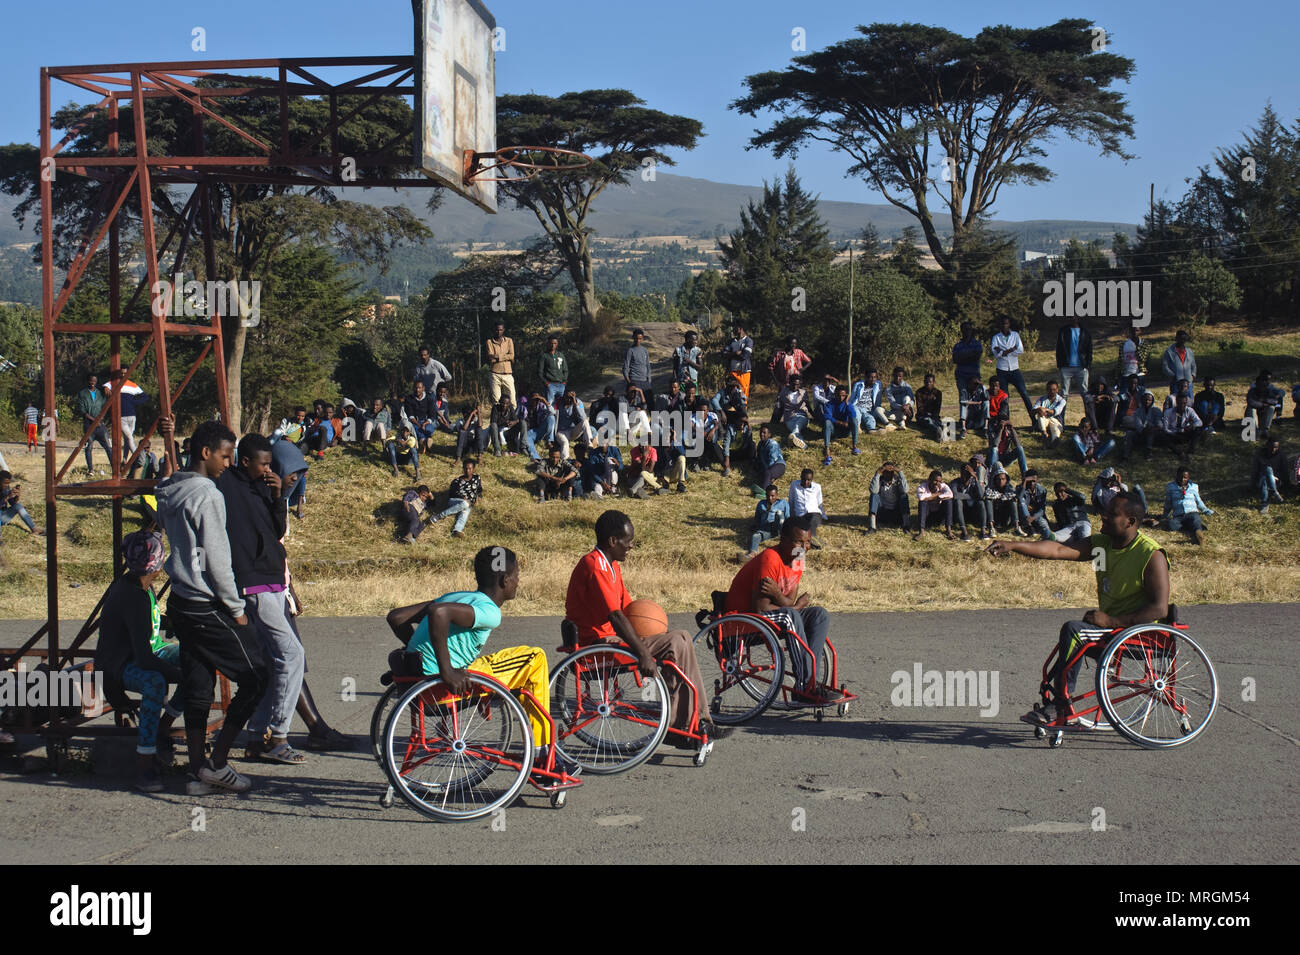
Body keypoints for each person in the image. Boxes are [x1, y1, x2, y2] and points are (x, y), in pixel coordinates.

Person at [154, 419, 269, 794]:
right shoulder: (208, 494)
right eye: (225, 455)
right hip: (207, 603)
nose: (228, 462)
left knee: (198, 683)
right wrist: (235, 608)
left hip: (181, 602)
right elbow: (217, 561)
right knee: (257, 677)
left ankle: (196, 771)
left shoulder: (172, 487)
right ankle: (218, 763)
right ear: (206, 453)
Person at [989, 492, 1170, 727]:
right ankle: (1057, 696)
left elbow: (1159, 609)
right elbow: (1057, 550)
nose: (1103, 517)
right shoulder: (1102, 546)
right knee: (1076, 634)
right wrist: (1013, 545)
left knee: (1074, 631)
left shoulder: (1151, 554)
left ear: (1131, 522)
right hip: (1112, 632)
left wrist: (1110, 620)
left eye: (1112, 514)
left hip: (1138, 635)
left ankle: (1060, 705)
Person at [565, 511, 725, 743]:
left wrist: (651, 629)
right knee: (675, 641)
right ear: (612, 541)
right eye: (628, 541)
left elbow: (629, 609)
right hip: (596, 647)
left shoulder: (611, 566)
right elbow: (617, 617)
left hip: (610, 641)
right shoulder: (595, 566)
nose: (631, 546)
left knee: (680, 637)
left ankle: (695, 721)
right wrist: (643, 653)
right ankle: (681, 725)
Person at [400, 546, 563, 769]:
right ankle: (542, 751)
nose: (518, 581)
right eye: (517, 576)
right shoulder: (490, 612)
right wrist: (446, 670)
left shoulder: (456, 596)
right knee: (535, 659)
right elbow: (439, 613)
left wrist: (418, 653)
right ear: (505, 580)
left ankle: (537, 742)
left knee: (517, 661)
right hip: (441, 687)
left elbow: (396, 617)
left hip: (419, 683)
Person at [218, 433, 308, 766]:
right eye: (265, 463)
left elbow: (276, 530)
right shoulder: (227, 483)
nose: (270, 469)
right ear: (244, 461)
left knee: (273, 662)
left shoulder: (262, 488)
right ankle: (279, 736)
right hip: (253, 583)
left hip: (270, 581)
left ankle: (257, 739)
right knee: (291, 654)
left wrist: (278, 493)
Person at [93, 529, 184, 792]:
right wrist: (179, 676)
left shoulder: (142, 584)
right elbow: (144, 658)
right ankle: (145, 762)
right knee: (155, 682)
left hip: (150, 651)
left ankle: (162, 727)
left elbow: (150, 625)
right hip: (120, 665)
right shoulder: (131, 595)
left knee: (198, 661)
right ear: (156, 564)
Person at [727, 515, 834, 694]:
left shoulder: (798, 557)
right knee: (790, 615)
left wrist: (779, 596)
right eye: (798, 542)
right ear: (783, 540)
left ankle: (812, 678)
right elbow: (760, 608)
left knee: (819, 615)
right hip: (744, 621)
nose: (804, 548)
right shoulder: (769, 559)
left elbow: (789, 601)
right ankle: (805, 686)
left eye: (807, 542)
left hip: (774, 614)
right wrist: (794, 607)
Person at [991, 316, 1034, 418]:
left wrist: (1003, 351)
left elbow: (1020, 350)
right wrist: (1011, 349)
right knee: (1005, 397)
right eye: (1002, 324)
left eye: (1006, 323)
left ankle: (1034, 420)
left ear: (1009, 324)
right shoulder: (996, 337)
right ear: (1000, 325)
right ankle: (1006, 421)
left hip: (1014, 369)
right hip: (1002, 370)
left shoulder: (1015, 335)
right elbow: (996, 354)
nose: (1004, 326)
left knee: (1024, 393)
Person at [430, 458, 483, 538]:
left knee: (466, 509)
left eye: (470, 468)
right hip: (455, 501)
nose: (467, 470)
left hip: (468, 504)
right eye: (465, 468)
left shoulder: (477, 478)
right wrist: (462, 497)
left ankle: (457, 530)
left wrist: (479, 496)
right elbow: (451, 494)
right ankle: (439, 515)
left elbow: (479, 489)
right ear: (463, 468)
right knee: (465, 504)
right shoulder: (457, 481)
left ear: (473, 469)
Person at [988, 377, 1028, 476]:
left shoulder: (1008, 428)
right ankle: (992, 475)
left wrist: (1011, 428)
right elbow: (995, 445)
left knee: (1020, 449)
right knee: (993, 449)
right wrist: (1001, 429)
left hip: (1005, 458)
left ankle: (1025, 474)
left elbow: (1018, 444)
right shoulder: (992, 427)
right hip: (995, 458)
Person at [1162, 465, 1213, 545]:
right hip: (1178, 516)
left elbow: (1198, 501)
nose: (1182, 480)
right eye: (1180, 477)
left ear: (1188, 477)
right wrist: (1165, 515)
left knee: (1196, 519)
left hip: (1191, 512)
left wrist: (1205, 510)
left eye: (1185, 478)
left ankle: (1199, 535)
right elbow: (1168, 502)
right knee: (1171, 525)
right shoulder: (1170, 487)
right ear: (1176, 476)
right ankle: (1192, 527)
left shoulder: (1194, 487)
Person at [75, 373, 113, 474]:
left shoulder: (100, 393)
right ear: (88, 381)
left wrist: (100, 420)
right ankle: (90, 470)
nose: (93, 383)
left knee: (108, 446)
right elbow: (82, 411)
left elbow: (105, 406)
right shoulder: (82, 394)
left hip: (100, 424)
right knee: (89, 447)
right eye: (91, 381)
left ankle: (115, 468)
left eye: (94, 381)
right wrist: (94, 421)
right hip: (89, 425)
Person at [951, 322, 983, 438]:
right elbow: (955, 359)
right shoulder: (958, 345)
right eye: (964, 329)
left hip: (974, 375)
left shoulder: (977, 344)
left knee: (979, 397)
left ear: (971, 330)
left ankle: (982, 423)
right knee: (963, 397)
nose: (966, 331)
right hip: (961, 375)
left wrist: (963, 357)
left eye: (968, 329)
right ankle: (963, 426)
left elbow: (977, 356)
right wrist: (969, 356)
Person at [1054, 315, 1093, 403]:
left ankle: (1090, 416)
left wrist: (1088, 365)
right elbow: (1059, 348)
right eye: (1070, 317)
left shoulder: (1085, 332)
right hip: (1066, 366)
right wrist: (1060, 365)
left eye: (1074, 316)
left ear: (1078, 317)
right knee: (1064, 394)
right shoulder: (1063, 331)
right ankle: (1060, 417)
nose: (1072, 318)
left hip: (1081, 367)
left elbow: (1089, 349)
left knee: (1085, 394)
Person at [746, 483, 789, 557]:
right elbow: (757, 518)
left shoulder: (783, 503)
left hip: (779, 528)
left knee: (779, 514)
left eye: (772, 496)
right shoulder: (761, 504)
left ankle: (782, 536)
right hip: (766, 530)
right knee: (756, 536)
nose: (770, 498)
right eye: (768, 496)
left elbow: (788, 517)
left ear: (777, 495)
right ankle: (752, 553)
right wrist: (756, 526)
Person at [821, 384, 861, 465]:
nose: (841, 398)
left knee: (854, 420)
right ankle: (827, 448)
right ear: (835, 394)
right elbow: (827, 416)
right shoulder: (830, 404)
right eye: (838, 395)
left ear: (846, 395)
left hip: (846, 431)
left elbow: (853, 415)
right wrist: (839, 422)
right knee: (827, 422)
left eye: (843, 396)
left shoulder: (848, 404)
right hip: (834, 430)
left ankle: (854, 445)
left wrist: (847, 403)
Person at [951, 461, 991, 541]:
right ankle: (964, 532)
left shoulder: (974, 483)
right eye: (963, 473)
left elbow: (980, 496)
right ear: (960, 473)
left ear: (972, 474)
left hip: (973, 513)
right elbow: (955, 495)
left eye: (968, 474)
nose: (965, 476)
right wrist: (972, 497)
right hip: (960, 513)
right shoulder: (955, 482)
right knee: (958, 501)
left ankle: (983, 531)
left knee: (981, 503)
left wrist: (976, 479)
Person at [773, 373, 813, 448]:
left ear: (800, 384)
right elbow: (780, 407)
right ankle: (802, 444)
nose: (795, 386)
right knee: (796, 429)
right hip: (789, 418)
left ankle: (794, 436)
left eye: (797, 384)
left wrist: (814, 416)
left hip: (802, 417)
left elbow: (808, 406)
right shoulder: (784, 393)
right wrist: (774, 420)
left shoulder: (803, 392)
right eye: (793, 384)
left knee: (798, 424)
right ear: (789, 383)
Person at [788, 467, 827, 546]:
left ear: (812, 479)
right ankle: (810, 542)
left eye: (809, 480)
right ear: (801, 478)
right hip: (800, 515)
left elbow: (820, 503)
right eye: (804, 479)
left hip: (814, 513)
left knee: (812, 519)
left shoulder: (817, 487)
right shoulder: (794, 485)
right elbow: (791, 502)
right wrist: (791, 517)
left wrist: (824, 516)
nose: (806, 482)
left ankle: (813, 539)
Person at [867, 462, 910, 533]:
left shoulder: (898, 481)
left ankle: (906, 526)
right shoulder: (879, 480)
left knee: (904, 496)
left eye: (890, 472)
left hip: (896, 513)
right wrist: (877, 474)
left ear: (893, 473)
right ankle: (872, 527)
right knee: (874, 495)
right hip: (882, 512)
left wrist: (900, 472)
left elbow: (905, 490)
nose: (888, 474)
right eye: (886, 472)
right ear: (883, 473)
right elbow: (873, 491)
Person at [1121, 390, 1162, 461]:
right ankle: (1126, 454)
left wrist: (1152, 428)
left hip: (1155, 435)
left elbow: (1159, 425)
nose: (1147, 402)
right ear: (1141, 400)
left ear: (1152, 400)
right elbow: (1139, 427)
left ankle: (1149, 451)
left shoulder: (1156, 410)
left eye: (1149, 400)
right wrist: (1146, 429)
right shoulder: (1137, 412)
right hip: (1142, 434)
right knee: (1129, 433)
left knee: (1151, 428)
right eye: (1145, 399)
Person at [1161, 393, 1203, 461]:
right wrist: (1177, 432)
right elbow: (1166, 429)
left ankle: (1191, 450)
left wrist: (1191, 426)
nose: (1182, 405)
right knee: (1163, 436)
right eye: (1180, 403)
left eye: (1184, 403)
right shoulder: (1168, 412)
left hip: (1186, 432)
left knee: (1198, 430)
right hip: (1174, 434)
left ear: (1186, 403)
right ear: (1176, 402)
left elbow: (1199, 422)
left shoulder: (1189, 410)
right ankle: (1179, 452)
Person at [915, 469, 954, 540]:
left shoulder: (943, 486)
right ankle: (921, 531)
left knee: (948, 501)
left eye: (939, 481)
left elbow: (950, 494)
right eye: (935, 480)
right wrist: (938, 494)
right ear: (929, 480)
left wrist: (932, 497)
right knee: (923, 502)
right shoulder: (923, 486)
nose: (937, 483)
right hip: (928, 516)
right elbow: (921, 498)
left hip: (939, 516)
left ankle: (948, 530)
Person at [1245, 370, 1284, 441]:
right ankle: (1255, 432)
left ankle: (1265, 430)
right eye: (1262, 381)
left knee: (1271, 408)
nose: (1263, 384)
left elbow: (1276, 400)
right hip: (1255, 411)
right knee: (1251, 409)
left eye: (1266, 381)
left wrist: (1266, 400)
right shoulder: (1253, 390)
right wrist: (1262, 404)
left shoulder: (1269, 389)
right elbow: (1251, 402)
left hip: (1264, 411)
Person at [0, 471, 42, 537]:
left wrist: (16, 496)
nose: (7, 485)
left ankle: (34, 528)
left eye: (8, 483)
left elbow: (13, 503)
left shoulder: (6, 488)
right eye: (5, 483)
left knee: (18, 506)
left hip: (3, 516)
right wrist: (7, 497)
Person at [1252, 437, 1287, 514]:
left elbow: (1284, 470)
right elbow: (1255, 470)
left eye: (1276, 447)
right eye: (1272, 447)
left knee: (1267, 473)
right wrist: (1253, 484)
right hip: (1261, 479)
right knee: (1267, 470)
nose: (1273, 449)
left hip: (1276, 480)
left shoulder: (1281, 455)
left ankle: (1264, 502)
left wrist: (1285, 483)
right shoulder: (1259, 454)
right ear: (1267, 445)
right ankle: (1274, 493)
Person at [554, 389, 592, 459]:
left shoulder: (578, 402)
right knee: (565, 443)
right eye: (566, 397)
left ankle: (589, 446)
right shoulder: (558, 403)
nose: (568, 400)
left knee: (585, 422)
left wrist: (575, 404)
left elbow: (583, 417)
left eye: (570, 398)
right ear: (563, 396)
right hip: (561, 432)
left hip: (573, 431)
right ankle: (566, 460)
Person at [521, 390, 556, 465]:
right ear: (529, 399)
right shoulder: (524, 407)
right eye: (533, 399)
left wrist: (545, 401)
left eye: (537, 399)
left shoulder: (541, 405)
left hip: (539, 429)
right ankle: (536, 458)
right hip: (529, 432)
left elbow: (553, 413)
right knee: (528, 438)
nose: (535, 401)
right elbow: (517, 419)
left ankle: (549, 441)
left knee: (551, 418)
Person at [851, 367, 890, 433]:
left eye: (875, 377)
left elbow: (878, 399)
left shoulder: (878, 384)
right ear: (865, 377)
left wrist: (876, 411)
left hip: (868, 410)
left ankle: (871, 430)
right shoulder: (858, 385)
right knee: (856, 412)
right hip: (858, 407)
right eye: (870, 377)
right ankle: (857, 427)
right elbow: (852, 398)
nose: (873, 379)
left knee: (870, 419)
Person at [622, 328, 653, 408]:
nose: (638, 340)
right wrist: (629, 383)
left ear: (642, 339)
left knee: (650, 404)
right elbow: (625, 367)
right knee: (637, 404)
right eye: (636, 338)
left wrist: (649, 380)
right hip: (635, 380)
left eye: (640, 338)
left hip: (645, 382)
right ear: (633, 338)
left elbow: (648, 365)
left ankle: (652, 420)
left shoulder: (645, 350)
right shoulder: (630, 350)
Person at [486, 322, 516, 404]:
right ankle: (498, 416)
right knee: (497, 400)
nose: (499, 332)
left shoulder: (509, 341)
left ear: (503, 330)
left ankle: (512, 416)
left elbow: (512, 356)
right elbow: (491, 358)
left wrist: (497, 356)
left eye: (500, 330)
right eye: (497, 330)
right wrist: (506, 357)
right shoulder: (490, 342)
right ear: (494, 330)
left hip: (508, 373)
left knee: (512, 399)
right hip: (495, 374)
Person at [722, 322, 755, 398]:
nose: (733, 330)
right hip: (732, 371)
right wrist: (736, 353)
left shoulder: (748, 341)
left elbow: (745, 355)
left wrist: (731, 354)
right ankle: (732, 409)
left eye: (735, 328)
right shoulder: (731, 341)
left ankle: (743, 408)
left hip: (744, 371)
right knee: (732, 391)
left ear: (740, 329)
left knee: (743, 391)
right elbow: (724, 354)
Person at [1018, 469, 1052, 540]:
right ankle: (1029, 527)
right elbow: (1020, 498)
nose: (1031, 484)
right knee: (1021, 501)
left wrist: (1033, 518)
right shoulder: (1020, 488)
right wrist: (1024, 482)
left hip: (1035, 515)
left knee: (1044, 526)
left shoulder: (1042, 490)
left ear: (1037, 480)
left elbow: (1042, 509)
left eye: (1033, 481)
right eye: (1029, 481)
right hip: (1023, 515)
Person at [1160, 329, 1196, 394]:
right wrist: (1173, 376)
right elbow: (1165, 367)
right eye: (1181, 338)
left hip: (1188, 383)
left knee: (1189, 402)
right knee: (1175, 402)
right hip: (1176, 383)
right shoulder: (1169, 352)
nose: (1182, 340)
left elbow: (1193, 365)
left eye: (1184, 339)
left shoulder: (1189, 351)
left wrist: (1193, 375)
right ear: (1176, 338)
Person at [1032, 381, 1067, 446]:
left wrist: (1045, 409)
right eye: (1050, 389)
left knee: (1056, 432)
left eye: (1054, 389)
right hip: (1044, 420)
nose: (1052, 391)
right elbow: (1033, 411)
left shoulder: (1062, 400)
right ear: (1047, 390)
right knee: (1040, 414)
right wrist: (1038, 409)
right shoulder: (1041, 399)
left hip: (1056, 421)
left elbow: (1056, 411)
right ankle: (1044, 433)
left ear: (1057, 390)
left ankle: (1054, 441)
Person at [753, 423, 787, 491]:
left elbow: (771, 462)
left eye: (764, 433)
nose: (762, 434)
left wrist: (766, 473)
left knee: (767, 473)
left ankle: (764, 491)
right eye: (761, 432)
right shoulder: (760, 444)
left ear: (769, 435)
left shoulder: (772, 444)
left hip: (778, 465)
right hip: (767, 467)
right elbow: (759, 458)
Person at [986, 466, 1019, 535]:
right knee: (988, 500)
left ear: (1006, 480)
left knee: (1012, 501)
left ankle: (1017, 527)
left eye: (1003, 479)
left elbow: (1012, 495)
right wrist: (1001, 496)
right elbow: (988, 494)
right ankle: (991, 527)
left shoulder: (1009, 487)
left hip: (1005, 517)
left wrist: (999, 496)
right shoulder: (991, 487)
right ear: (995, 480)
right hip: (995, 515)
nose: (1001, 481)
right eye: (998, 479)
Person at [537, 336, 569, 406]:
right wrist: (546, 383)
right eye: (551, 343)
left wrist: (564, 381)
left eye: (555, 343)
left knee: (562, 406)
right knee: (550, 406)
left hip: (561, 385)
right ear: (548, 343)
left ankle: (561, 417)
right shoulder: (544, 356)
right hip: (550, 385)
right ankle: (551, 417)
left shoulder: (561, 355)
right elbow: (540, 372)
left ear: (557, 344)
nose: (553, 345)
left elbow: (565, 370)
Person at [914, 373, 944, 440]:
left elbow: (938, 407)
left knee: (938, 422)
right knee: (929, 421)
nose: (928, 384)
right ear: (924, 382)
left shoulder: (938, 393)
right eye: (926, 382)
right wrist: (928, 414)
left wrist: (934, 415)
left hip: (934, 416)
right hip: (922, 416)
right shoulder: (919, 392)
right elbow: (920, 408)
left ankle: (941, 432)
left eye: (930, 382)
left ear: (933, 382)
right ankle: (937, 431)